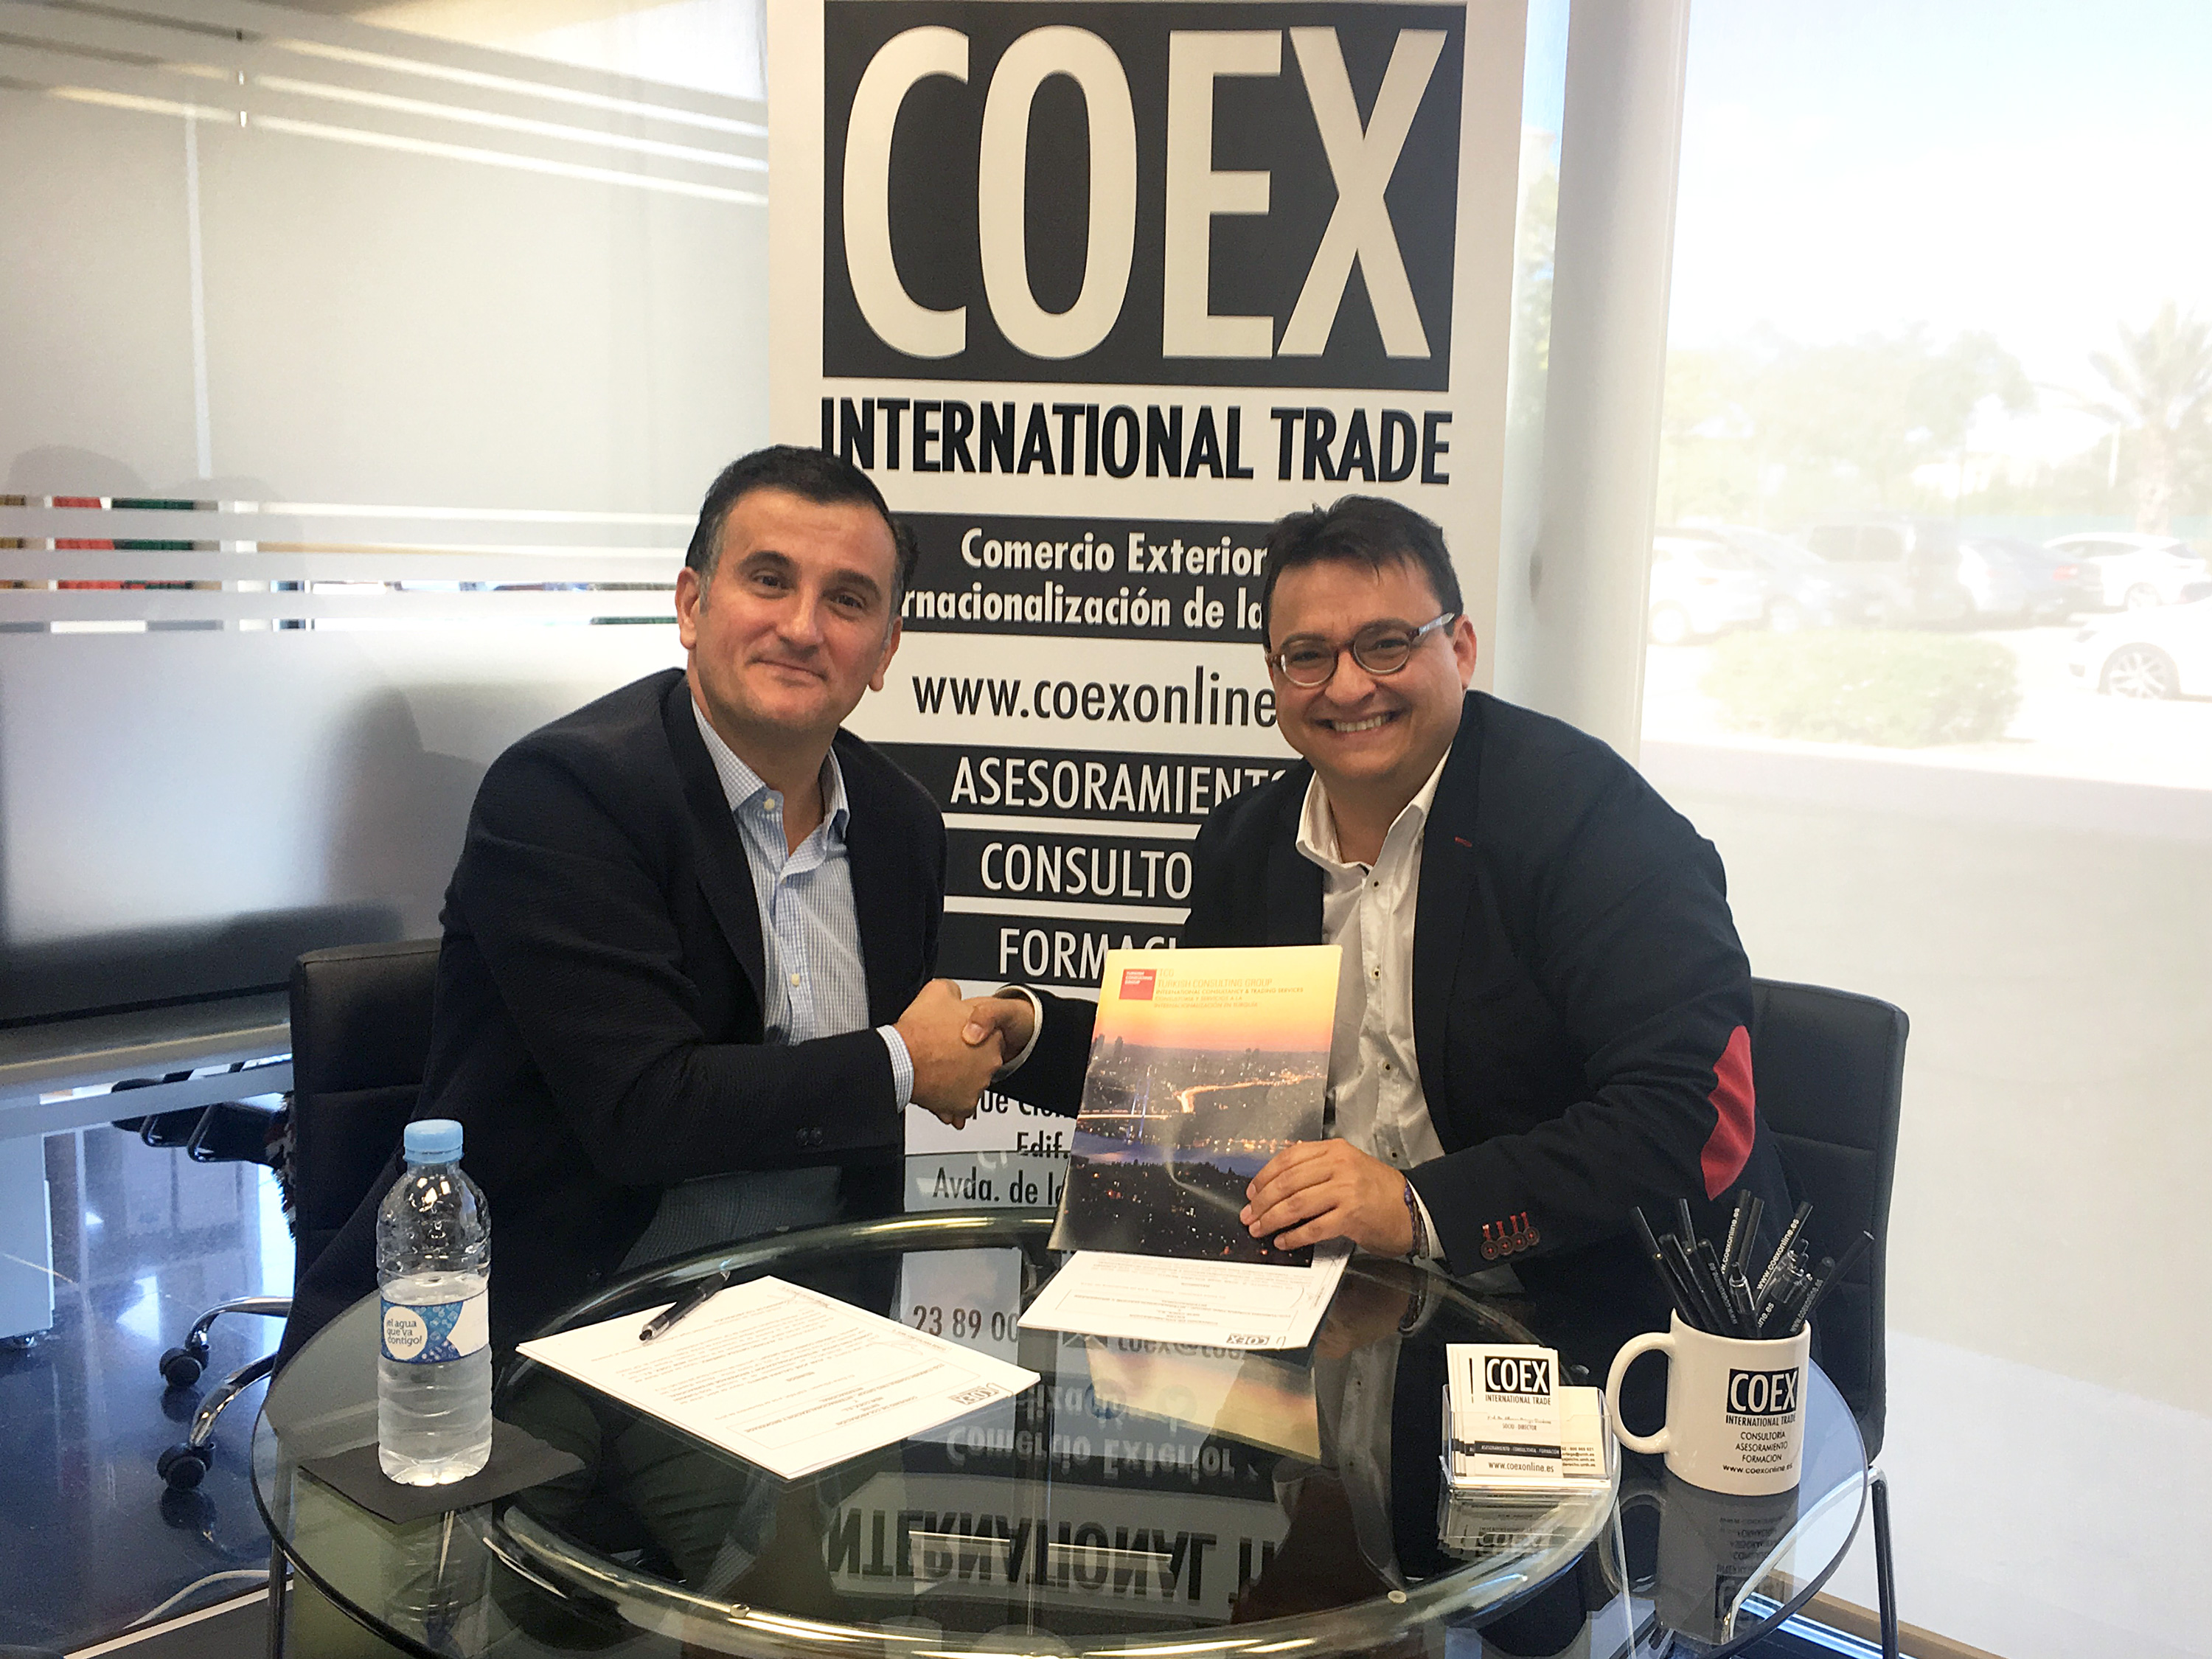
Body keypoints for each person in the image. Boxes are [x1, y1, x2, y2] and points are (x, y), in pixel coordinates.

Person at [969, 495, 1791, 1354]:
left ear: (1460, 648)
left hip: (1608, 1332)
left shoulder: (1590, 821)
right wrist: (1027, 1037)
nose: (1349, 686)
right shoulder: (1247, 846)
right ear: (1274, 676)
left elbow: (1692, 1116)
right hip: (1347, 1323)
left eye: (1386, 644)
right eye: (1308, 657)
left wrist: (1418, 1207)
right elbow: (1197, 1084)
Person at [282, 446, 1006, 1357]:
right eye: (769, 581)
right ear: (692, 606)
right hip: (549, 1336)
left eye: (848, 601)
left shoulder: (901, 826)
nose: (802, 626)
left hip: (804, 1326)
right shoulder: (565, 795)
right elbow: (645, 1113)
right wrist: (903, 1062)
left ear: (886, 650)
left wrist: (1004, 1031)